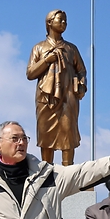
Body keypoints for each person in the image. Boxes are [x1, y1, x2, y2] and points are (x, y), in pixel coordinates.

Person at [26, 9, 87, 166]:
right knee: (46, 132)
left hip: (68, 96)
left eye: (65, 21)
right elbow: (30, 73)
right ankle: (46, 171)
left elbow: (81, 70)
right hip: (45, 97)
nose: (64, 23)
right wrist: (46, 61)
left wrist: (80, 84)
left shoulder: (71, 49)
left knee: (68, 131)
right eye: (60, 20)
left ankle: (68, 171)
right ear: (49, 23)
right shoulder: (39, 48)